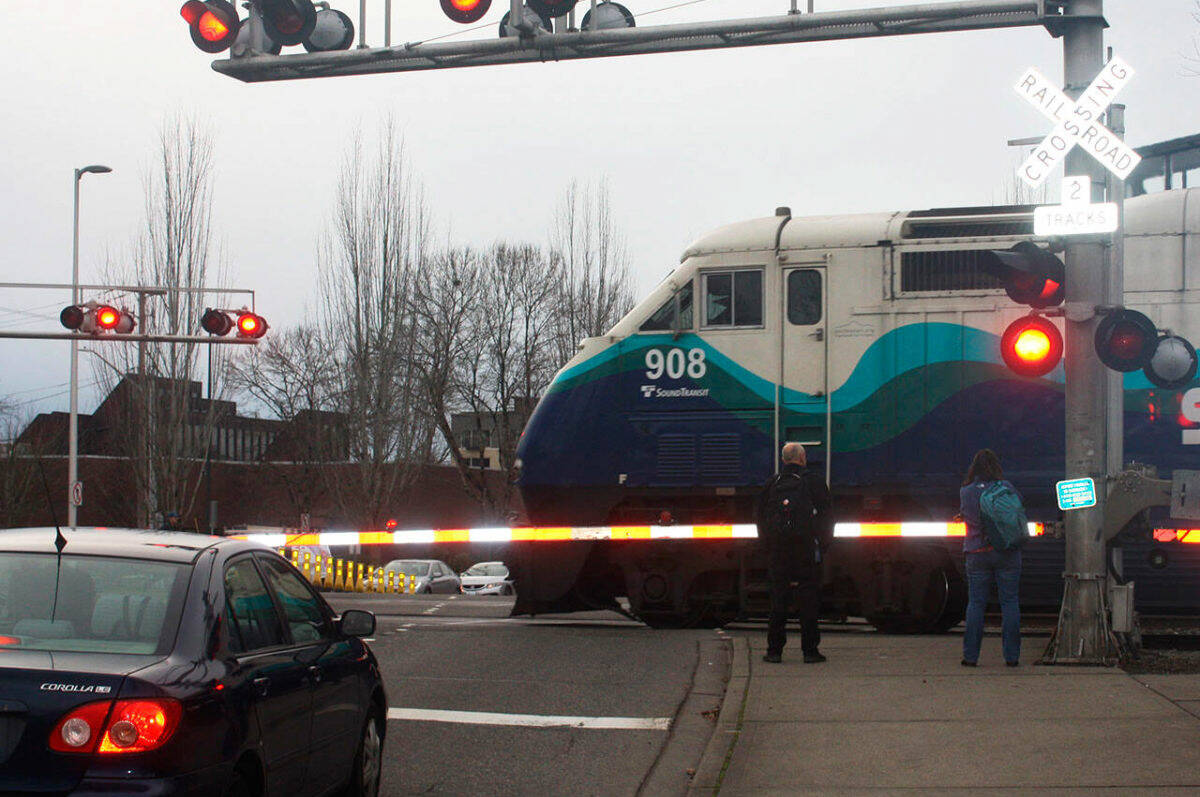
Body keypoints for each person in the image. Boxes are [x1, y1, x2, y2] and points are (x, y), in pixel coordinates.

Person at [756, 442, 832, 663]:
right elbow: (827, 516)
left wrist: (767, 546)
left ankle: (774, 651)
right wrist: (822, 545)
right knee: (808, 599)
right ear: (803, 457)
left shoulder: (772, 483)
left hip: (779, 551)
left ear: (783, 460)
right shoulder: (815, 482)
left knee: (778, 600)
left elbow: (759, 517)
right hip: (805, 549)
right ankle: (810, 652)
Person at [959, 448, 1023, 667]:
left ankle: (970, 657)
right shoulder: (1007, 488)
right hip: (1006, 552)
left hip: (977, 553)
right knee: (1010, 602)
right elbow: (1017, 512)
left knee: (976, 603)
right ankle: (1012, 657)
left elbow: (967, 515)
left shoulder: (966, 491)